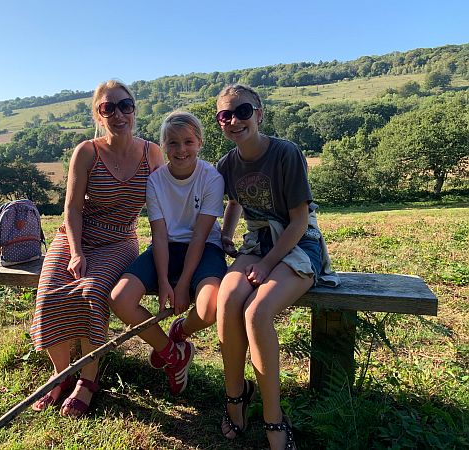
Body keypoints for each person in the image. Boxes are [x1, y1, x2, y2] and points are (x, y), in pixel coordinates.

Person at [29, 80, 164, 417]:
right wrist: (76, 252)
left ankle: (88, 381)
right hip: (77, 235)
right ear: (98, 115)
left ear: (134, 110)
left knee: (92, 292)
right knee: (48, 293)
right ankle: (60, 374)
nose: (118, 113)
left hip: (120, 240)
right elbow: (72, 208)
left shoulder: (152, 153)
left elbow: (168, 203)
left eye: (125, 105)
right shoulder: (87, 151)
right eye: (108, 107)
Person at [215, 84, 338, 449]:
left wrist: (268, 264)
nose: (235, 120)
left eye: (243, 111)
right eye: (226, 115)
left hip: (299, 243)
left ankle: (273, 414)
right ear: (220, 122)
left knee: (257, 313)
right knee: (227, 301)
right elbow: (234, 201)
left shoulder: (286, 153)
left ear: (260, 113)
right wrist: (226, 235)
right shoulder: (227, 164)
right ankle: (236, 397)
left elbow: (300, 221)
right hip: (258, 241)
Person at [109, 111, 227, 395]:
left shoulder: (211, 177)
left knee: (210, 307)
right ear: (163, 146)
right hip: (165, 248)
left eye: (188, 141)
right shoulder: (156, 181)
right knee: (119, 299)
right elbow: (159, 235)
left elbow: (200, 235)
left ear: (199, 142)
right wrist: (164, 282)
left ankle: (181, 332)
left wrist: (183, 284)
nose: (181, 149)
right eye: (172, 143)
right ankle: (173, 354)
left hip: (205, 247)